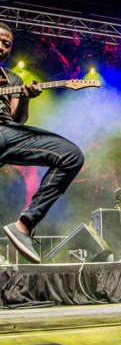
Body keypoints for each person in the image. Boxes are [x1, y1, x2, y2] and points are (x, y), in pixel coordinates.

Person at [0, 22, 84, 263]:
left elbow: (17, 120)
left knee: (71, 155)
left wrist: (25, 98)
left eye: (7, 44)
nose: (2, 47)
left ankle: (25, 224)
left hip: (5, 132)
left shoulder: (12, 79)